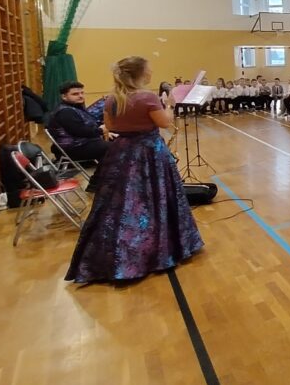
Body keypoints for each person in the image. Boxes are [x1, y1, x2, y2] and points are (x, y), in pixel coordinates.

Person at [65, 56, 203, 284]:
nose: (151, 72)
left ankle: (116, 254)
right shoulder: (147, 97)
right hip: (148, 152)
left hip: (121, 153)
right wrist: (169, 105)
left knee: (121, 203)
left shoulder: (112, 98)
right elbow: (164, 123)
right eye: (148, 69)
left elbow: (110, 126)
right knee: (154, 199)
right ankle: (157, 250)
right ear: (141, 74)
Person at [48, 81, 112, 164]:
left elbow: (89, 125)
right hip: (74, 148)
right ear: (64, 97)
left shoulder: (75, 108)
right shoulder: (65, 112)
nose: (80, 96)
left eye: (82, 93)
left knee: (120, 141)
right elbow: (80, 131)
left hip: (84, 143)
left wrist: (106, 132)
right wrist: (101, 131)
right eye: (75, 94)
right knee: (116, 147)